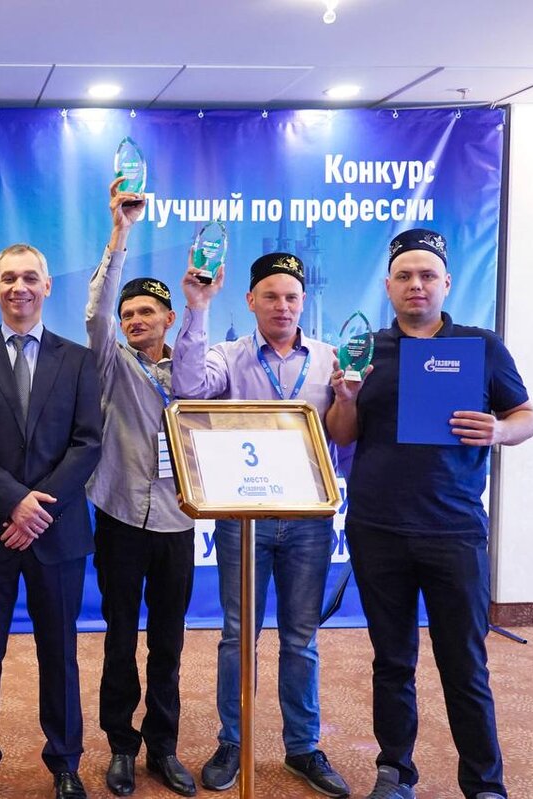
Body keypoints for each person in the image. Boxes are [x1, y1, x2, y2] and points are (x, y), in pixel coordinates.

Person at [326, 229, 533, 799]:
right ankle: (395, 772)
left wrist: (499, 430)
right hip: (377, 529)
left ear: (446, 283)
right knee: (392, 660)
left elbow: (526, 416)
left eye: (426, 275)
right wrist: (345, 399)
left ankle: (485, 783)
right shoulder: (364, 349)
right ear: (387, 286)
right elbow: (342, 435)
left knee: (464, 664)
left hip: (453, 530)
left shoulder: (480, 347)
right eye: (404, 275)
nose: (415, 285)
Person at [171, 251, 350, 797]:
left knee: (301, 639)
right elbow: (187, 389)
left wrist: (346, 398)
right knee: (236, 637)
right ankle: (233, 740)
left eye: (291, 297)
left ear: (303, 301)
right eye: (270, 296)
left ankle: (303, 747)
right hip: (242, 520)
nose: (282, 306)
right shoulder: (227, 355)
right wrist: (198, 307)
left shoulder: (329, 358)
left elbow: (342, 433)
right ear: (250, 301)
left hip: (307, 522)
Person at [0, 242, 102, 799]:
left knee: (59, 652)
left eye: (31, 277)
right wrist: (14, 501)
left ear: (47, 286)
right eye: (9, 278)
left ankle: (65, 763)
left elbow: (87, 444)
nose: (20, 287)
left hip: (57, 534)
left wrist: (38, 511)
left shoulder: (78, 359)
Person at [86, 178, 196, 797]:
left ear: (168, 319)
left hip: (179, 519)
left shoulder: (193, 369)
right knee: (121, 638)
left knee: (169, 644)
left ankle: (164, 748)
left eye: (146, 312)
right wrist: (119, 235)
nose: (133, 320)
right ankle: (121, 747)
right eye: (128, 314)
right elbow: (96, 314)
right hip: (121, 516)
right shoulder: (111, 360)